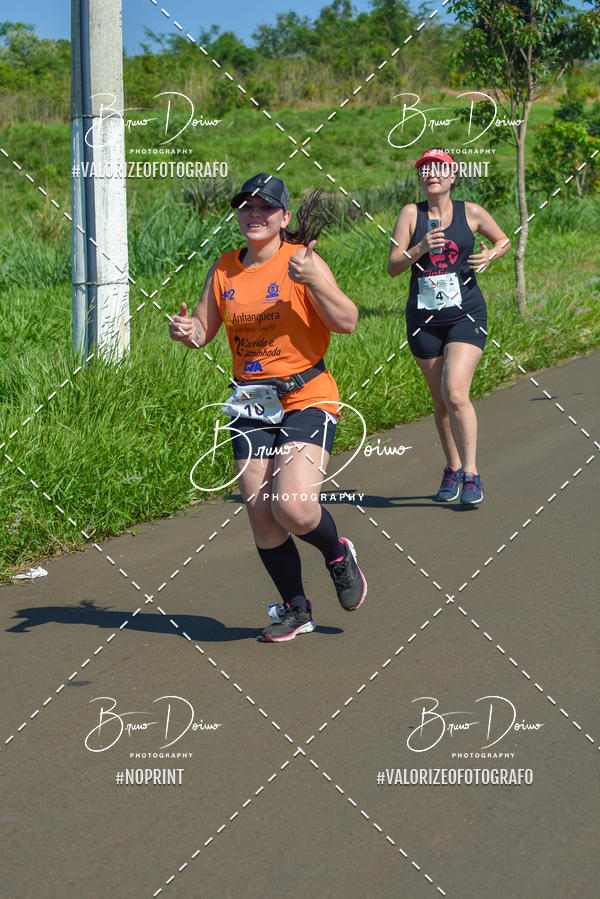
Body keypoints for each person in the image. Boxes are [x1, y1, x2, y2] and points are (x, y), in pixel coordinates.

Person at [169, 173, 367, 641]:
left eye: (264, 208)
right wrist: (187, 332)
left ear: (283, 217)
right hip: (251, 401)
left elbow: (348, 322)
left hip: (307, 395)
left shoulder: (301, 261)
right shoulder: (224, 268)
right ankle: (297, 608)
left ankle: (337, 552)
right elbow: (202, 330)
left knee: (295, 509)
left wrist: (316, 280)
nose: (253, 216)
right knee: (261, 513)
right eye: (246, 208)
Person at [387, 148, 510, 504]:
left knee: (455, 392)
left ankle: (472, 473)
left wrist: (491, 254)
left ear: (453, 176)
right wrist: (420, 247)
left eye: (440, 169)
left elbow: (503, 240)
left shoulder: (471, 212)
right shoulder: (411, 214)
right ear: (421, 179)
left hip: (465, 315)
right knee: (440, 400)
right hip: (423, 319)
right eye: (425, 170)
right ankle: (452, 467)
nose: (432, 174)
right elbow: (394, 266)